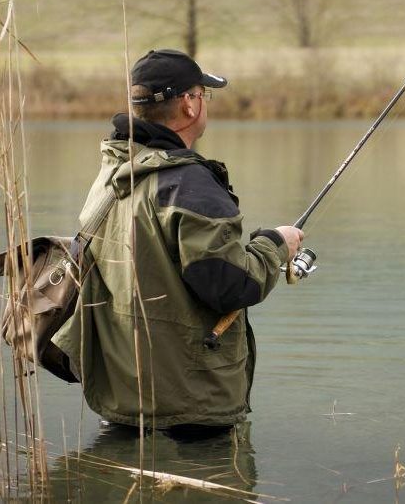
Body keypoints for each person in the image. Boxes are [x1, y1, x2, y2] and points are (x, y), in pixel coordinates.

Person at [52, 49, 304, 431]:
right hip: (189, 406)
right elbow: (230, 287)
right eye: (203, 94)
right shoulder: (189, 184)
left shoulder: (113, 170)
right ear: (188, 104)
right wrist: (275, 245)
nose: (204, 104)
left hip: (123, 396)